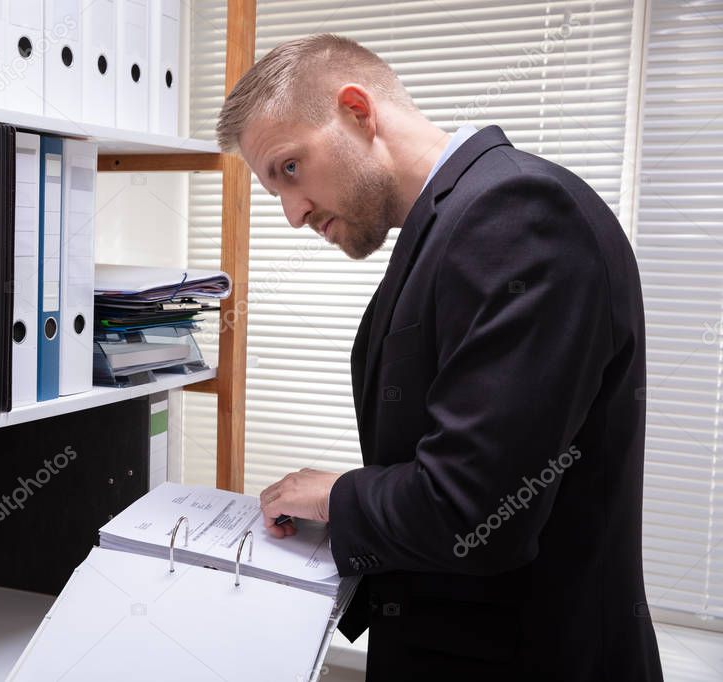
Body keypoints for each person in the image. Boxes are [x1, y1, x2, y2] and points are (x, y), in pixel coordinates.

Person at [216, 34, 664, 681]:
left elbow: (476, 507)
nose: (291, 213)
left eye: (289, 168)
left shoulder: (516, 212)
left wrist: (340, 496)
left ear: (356, 111)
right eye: (272, 188)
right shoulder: (450, 222)